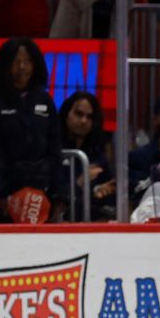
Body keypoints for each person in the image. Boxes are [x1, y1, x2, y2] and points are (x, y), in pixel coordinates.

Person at [0, 37, 65, 223]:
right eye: (16, 62)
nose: (22, 67)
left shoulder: (44, 100)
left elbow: (54, 149)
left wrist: (58, 194)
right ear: (5, 65)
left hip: (40, 195)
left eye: (27, 61)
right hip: (1, 197)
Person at [59, 90, 116, 221]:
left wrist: (103, 191)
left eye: (89, 117)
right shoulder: (54, 151)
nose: (84, 121)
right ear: (66, 114)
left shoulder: (97, 154)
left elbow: (108, 190)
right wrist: (79, 183)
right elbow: (55, 197)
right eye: (79, 114)